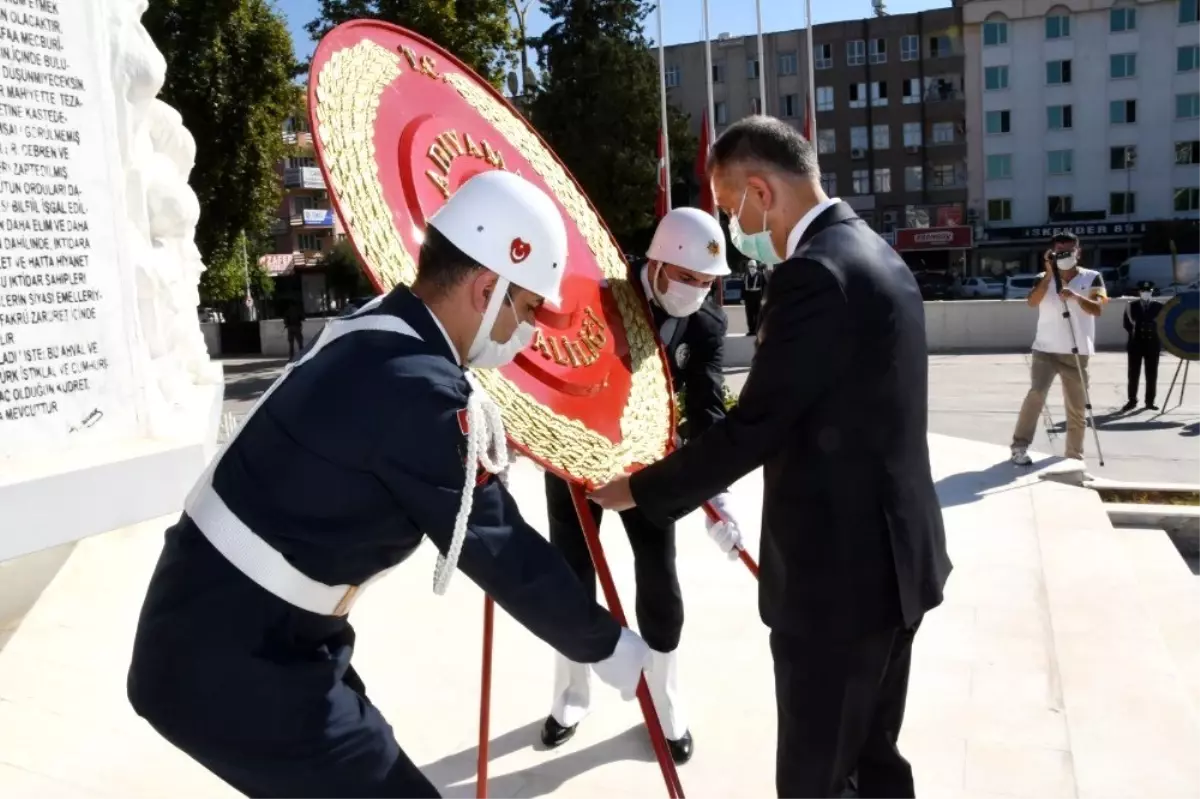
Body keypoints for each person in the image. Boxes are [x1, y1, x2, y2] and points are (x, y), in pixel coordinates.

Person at [126, 171, 651, 799]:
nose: (529, 332)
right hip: (234, 657)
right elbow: (502, 549)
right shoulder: (419, 389)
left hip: (243, 624)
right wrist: (607, 643)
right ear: (488, 289)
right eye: (530, 309)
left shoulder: (384, 327)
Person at [590, 116, 951, 799]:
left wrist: (638, 489)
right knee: (874, 759)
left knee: (817, 778)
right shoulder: (876, 252)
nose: (737, 228)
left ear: (761, 191)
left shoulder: (813, 275)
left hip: (837, 584)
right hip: (899, 565)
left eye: (731, 210)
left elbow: (753, 425)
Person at [540, 206, 742, 764]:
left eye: (707, 282)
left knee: (660, 583)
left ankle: (664, 698)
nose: (696, 291)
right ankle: (570, 696)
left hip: (650, 467)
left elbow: (706, 410)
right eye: (688, 278)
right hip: (576, 454)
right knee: (571, 577)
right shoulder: (600, 291)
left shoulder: (705, 325)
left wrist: (717, 496)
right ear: (655, 264)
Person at [1010, 232, 1107, 465]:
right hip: (1045, 350)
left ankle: (1074, 455)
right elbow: (1032, 302)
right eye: (1059, 252)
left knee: (1076, 406)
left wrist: (1074, 296)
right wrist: (1049, 274)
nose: (1064, 256)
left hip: (1077, 352)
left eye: (1069, 251)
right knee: (1036, 394)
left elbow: (1097, 309)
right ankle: (1019, 446)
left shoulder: (1093, 277)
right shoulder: (1043, 277)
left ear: (1078, 252)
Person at [1122, 280, 1163, 411]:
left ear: (1152, 292)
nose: (1146, 293)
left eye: (1148, 291)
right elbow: (1126, 324)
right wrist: (1135, 335)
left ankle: (1150, 401)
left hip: (1152, 344)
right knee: (1133, 374)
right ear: (1139, 292)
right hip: (1136, 344)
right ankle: (1132, 400)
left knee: (1152, 374)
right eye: (1143, 291)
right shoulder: (1131, 306)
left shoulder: (1159, 306)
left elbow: (1163, 324)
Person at [742, 259, 765, 334]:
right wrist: (742, 297)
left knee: (757, 313)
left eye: (753, 266)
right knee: (749, 313)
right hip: (748, 296)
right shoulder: (746, 275)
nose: (751, 268)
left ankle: (757, 330)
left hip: (757, 296)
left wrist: (763, 297)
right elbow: (742, 287)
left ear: (756, 266)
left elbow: (764, 286)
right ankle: (751, 330)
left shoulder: (760, 275)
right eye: (750, 266)